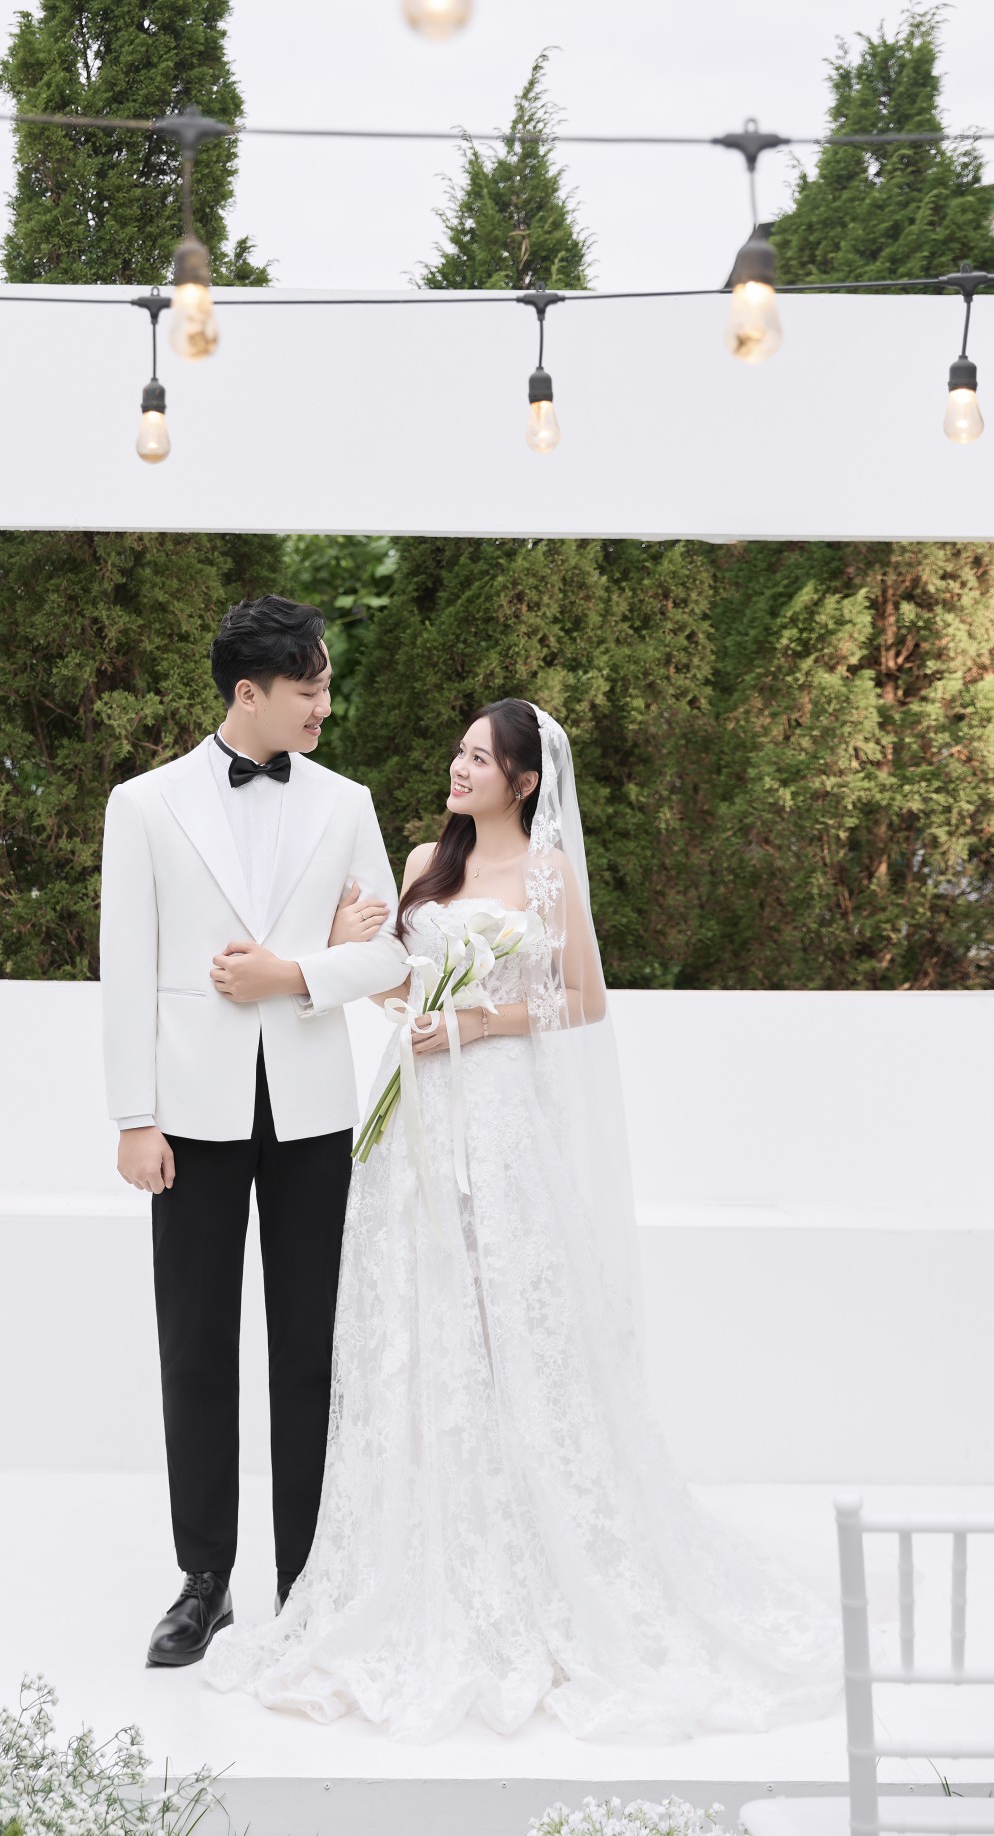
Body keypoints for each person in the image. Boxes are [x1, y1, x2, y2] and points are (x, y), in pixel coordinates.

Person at [204, 696, 847, 1742]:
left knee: (513, 1319)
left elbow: (582, 1000)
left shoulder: (546, 874)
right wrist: (362, 961)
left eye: (479, 758)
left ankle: (541, 1546)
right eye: (457, 751)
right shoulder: (425, 861)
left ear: (525, 780)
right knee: (415, 1321)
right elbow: (392, 991)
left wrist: (477, 1020)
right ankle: (417, 1545)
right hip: (413, 1114)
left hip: (499, 1116)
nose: (458, 768)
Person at [98, 594, 408, 1669]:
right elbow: (126, 969)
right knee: (195, 1346)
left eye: (324, 687)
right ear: (248, 692)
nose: (324, 705)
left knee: (310, 1348)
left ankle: (310, 1579)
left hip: (314, 1110)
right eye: (308, 689)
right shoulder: (143, 805)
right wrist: (133, 1118)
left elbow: (390, 954)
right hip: (189, 1116)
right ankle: (205, 1579)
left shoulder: (346, 803)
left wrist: (295, 972)